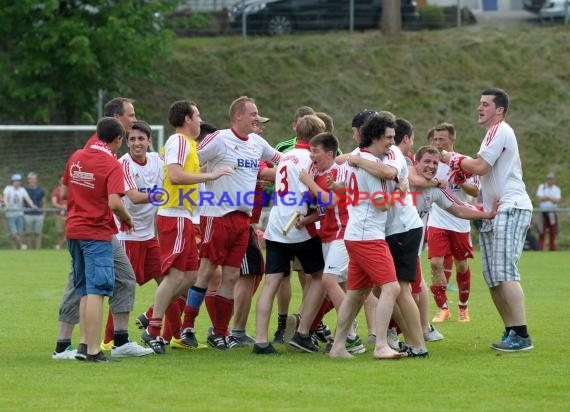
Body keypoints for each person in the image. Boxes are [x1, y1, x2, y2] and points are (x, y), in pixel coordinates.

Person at [181, 96, 280, 351]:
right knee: (206, 270)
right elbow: (192, 158)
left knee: (232, 274)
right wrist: (203, 176)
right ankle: (187, 327)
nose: (257, 118)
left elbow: (281, 159)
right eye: (253, 114)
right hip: (217, 213)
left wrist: (304, 161)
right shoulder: (221, 138)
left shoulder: (257, 142)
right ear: (237, 115)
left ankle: (220, 332)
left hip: (242, 218)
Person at [53, 97, 146, 360]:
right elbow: (115, 200)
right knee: (92, 289)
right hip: (97, 231)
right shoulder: (108, 160)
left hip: (76, 229)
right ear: (117, 126)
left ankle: (109, 342)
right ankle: (81, 347)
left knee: (107, 281)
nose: (133, 120)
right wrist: (126, 218)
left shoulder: (78, 155)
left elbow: (64, 190)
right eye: (131, 115)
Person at [445, 87, 534, 352]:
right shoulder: (490, 134)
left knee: (505, 272)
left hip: (511, 206)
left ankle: (522, 335)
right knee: (493, 276)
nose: (479, 108)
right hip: (495, 209)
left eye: (485, 104)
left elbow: (480, 167)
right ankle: (511, 331)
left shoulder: (500, 130)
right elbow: (479, 173)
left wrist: (452, 158)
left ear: (499, 111)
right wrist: (462, 171)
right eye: (479, 103)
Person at [141, 100, 233, 354]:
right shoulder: (179, 142)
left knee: (192, 276)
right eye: (198, 115)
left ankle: (151, 318)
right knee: (175, 276)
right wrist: (211, 175)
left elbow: (188, 173)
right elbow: (176, 176)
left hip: (185, 215)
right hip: (175, 214)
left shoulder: (189, 145)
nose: (201, 120)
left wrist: (212, 168)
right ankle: (153, 329)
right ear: (186, 119)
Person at [328, 113, 403, 360]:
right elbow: (381, 203)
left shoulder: (356, 159)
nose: (392, 143)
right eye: (389, 137)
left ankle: (338, 347)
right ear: (375, 137)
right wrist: (400, 193)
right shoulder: (371, 165)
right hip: (367, 235)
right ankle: (381, 344)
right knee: (391, 288)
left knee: (356, 293)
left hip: (355, 233)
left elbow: (341, 188)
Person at [253, 114, 326, 355]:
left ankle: (261, 341)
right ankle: (303, 332)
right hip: (299, 226)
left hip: (276, 224)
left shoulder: (287, 155)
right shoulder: (311, 158)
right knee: (319, 277)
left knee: (271, 282)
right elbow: (313, 194)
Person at [428, 122, 480, 323]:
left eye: (442, 139)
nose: (438, 143)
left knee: (461, 265)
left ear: (452, 140)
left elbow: (475, 191)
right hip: (437, 220)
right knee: (435, 263)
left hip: (459, 221)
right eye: (435, 139)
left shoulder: (464, 163)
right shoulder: (431, 162)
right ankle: (442, 307)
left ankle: (463, 307)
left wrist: (459, 181)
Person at [3, 174, 36, 249]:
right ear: (12, 181)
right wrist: (6, 204)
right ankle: (21, 245)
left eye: (19, 181)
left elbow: (27, 198)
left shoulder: (22, 190)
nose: (18, 182)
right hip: (10, 214)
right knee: (14, 233)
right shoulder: (8, 188)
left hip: (20, 213)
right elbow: (5, 197)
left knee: (19, 233)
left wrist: (32, 205)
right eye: (16, 181)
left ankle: (15, 249)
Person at [536, 173, 561, 251]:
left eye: (551, 179)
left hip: (552, 213)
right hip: (543, 212)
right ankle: (540, 248)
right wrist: (552, 199)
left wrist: (547, 197)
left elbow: (557, 200)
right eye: (549, 179)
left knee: (552, 232)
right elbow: (540, 198)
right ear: (547, 179)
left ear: (553, 180)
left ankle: (552, 249)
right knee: (541, 231)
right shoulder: (542, 187)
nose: (550, 180)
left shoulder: (556, 189)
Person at [23, 172, 46, 249]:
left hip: (39, 214)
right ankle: (29, 249)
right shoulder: (24, 190)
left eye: (34, 179)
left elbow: (44, 202)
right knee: (28, 233)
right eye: (31, 179)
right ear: (28, 180)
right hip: (27, 214)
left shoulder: (41, 190)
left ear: (36, 180)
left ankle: (38, 249)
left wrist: (44, 213)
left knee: (38, 233)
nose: (32, 180)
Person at [51, 176, 67, 250]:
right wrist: (61, 207)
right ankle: (61, 247)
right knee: (60, 232)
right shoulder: (56, 191)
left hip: (68, 215)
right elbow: (54, 203)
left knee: (67, 233)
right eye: (62, 180)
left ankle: (59, 246)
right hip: (59, 215)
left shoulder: (70, 190)